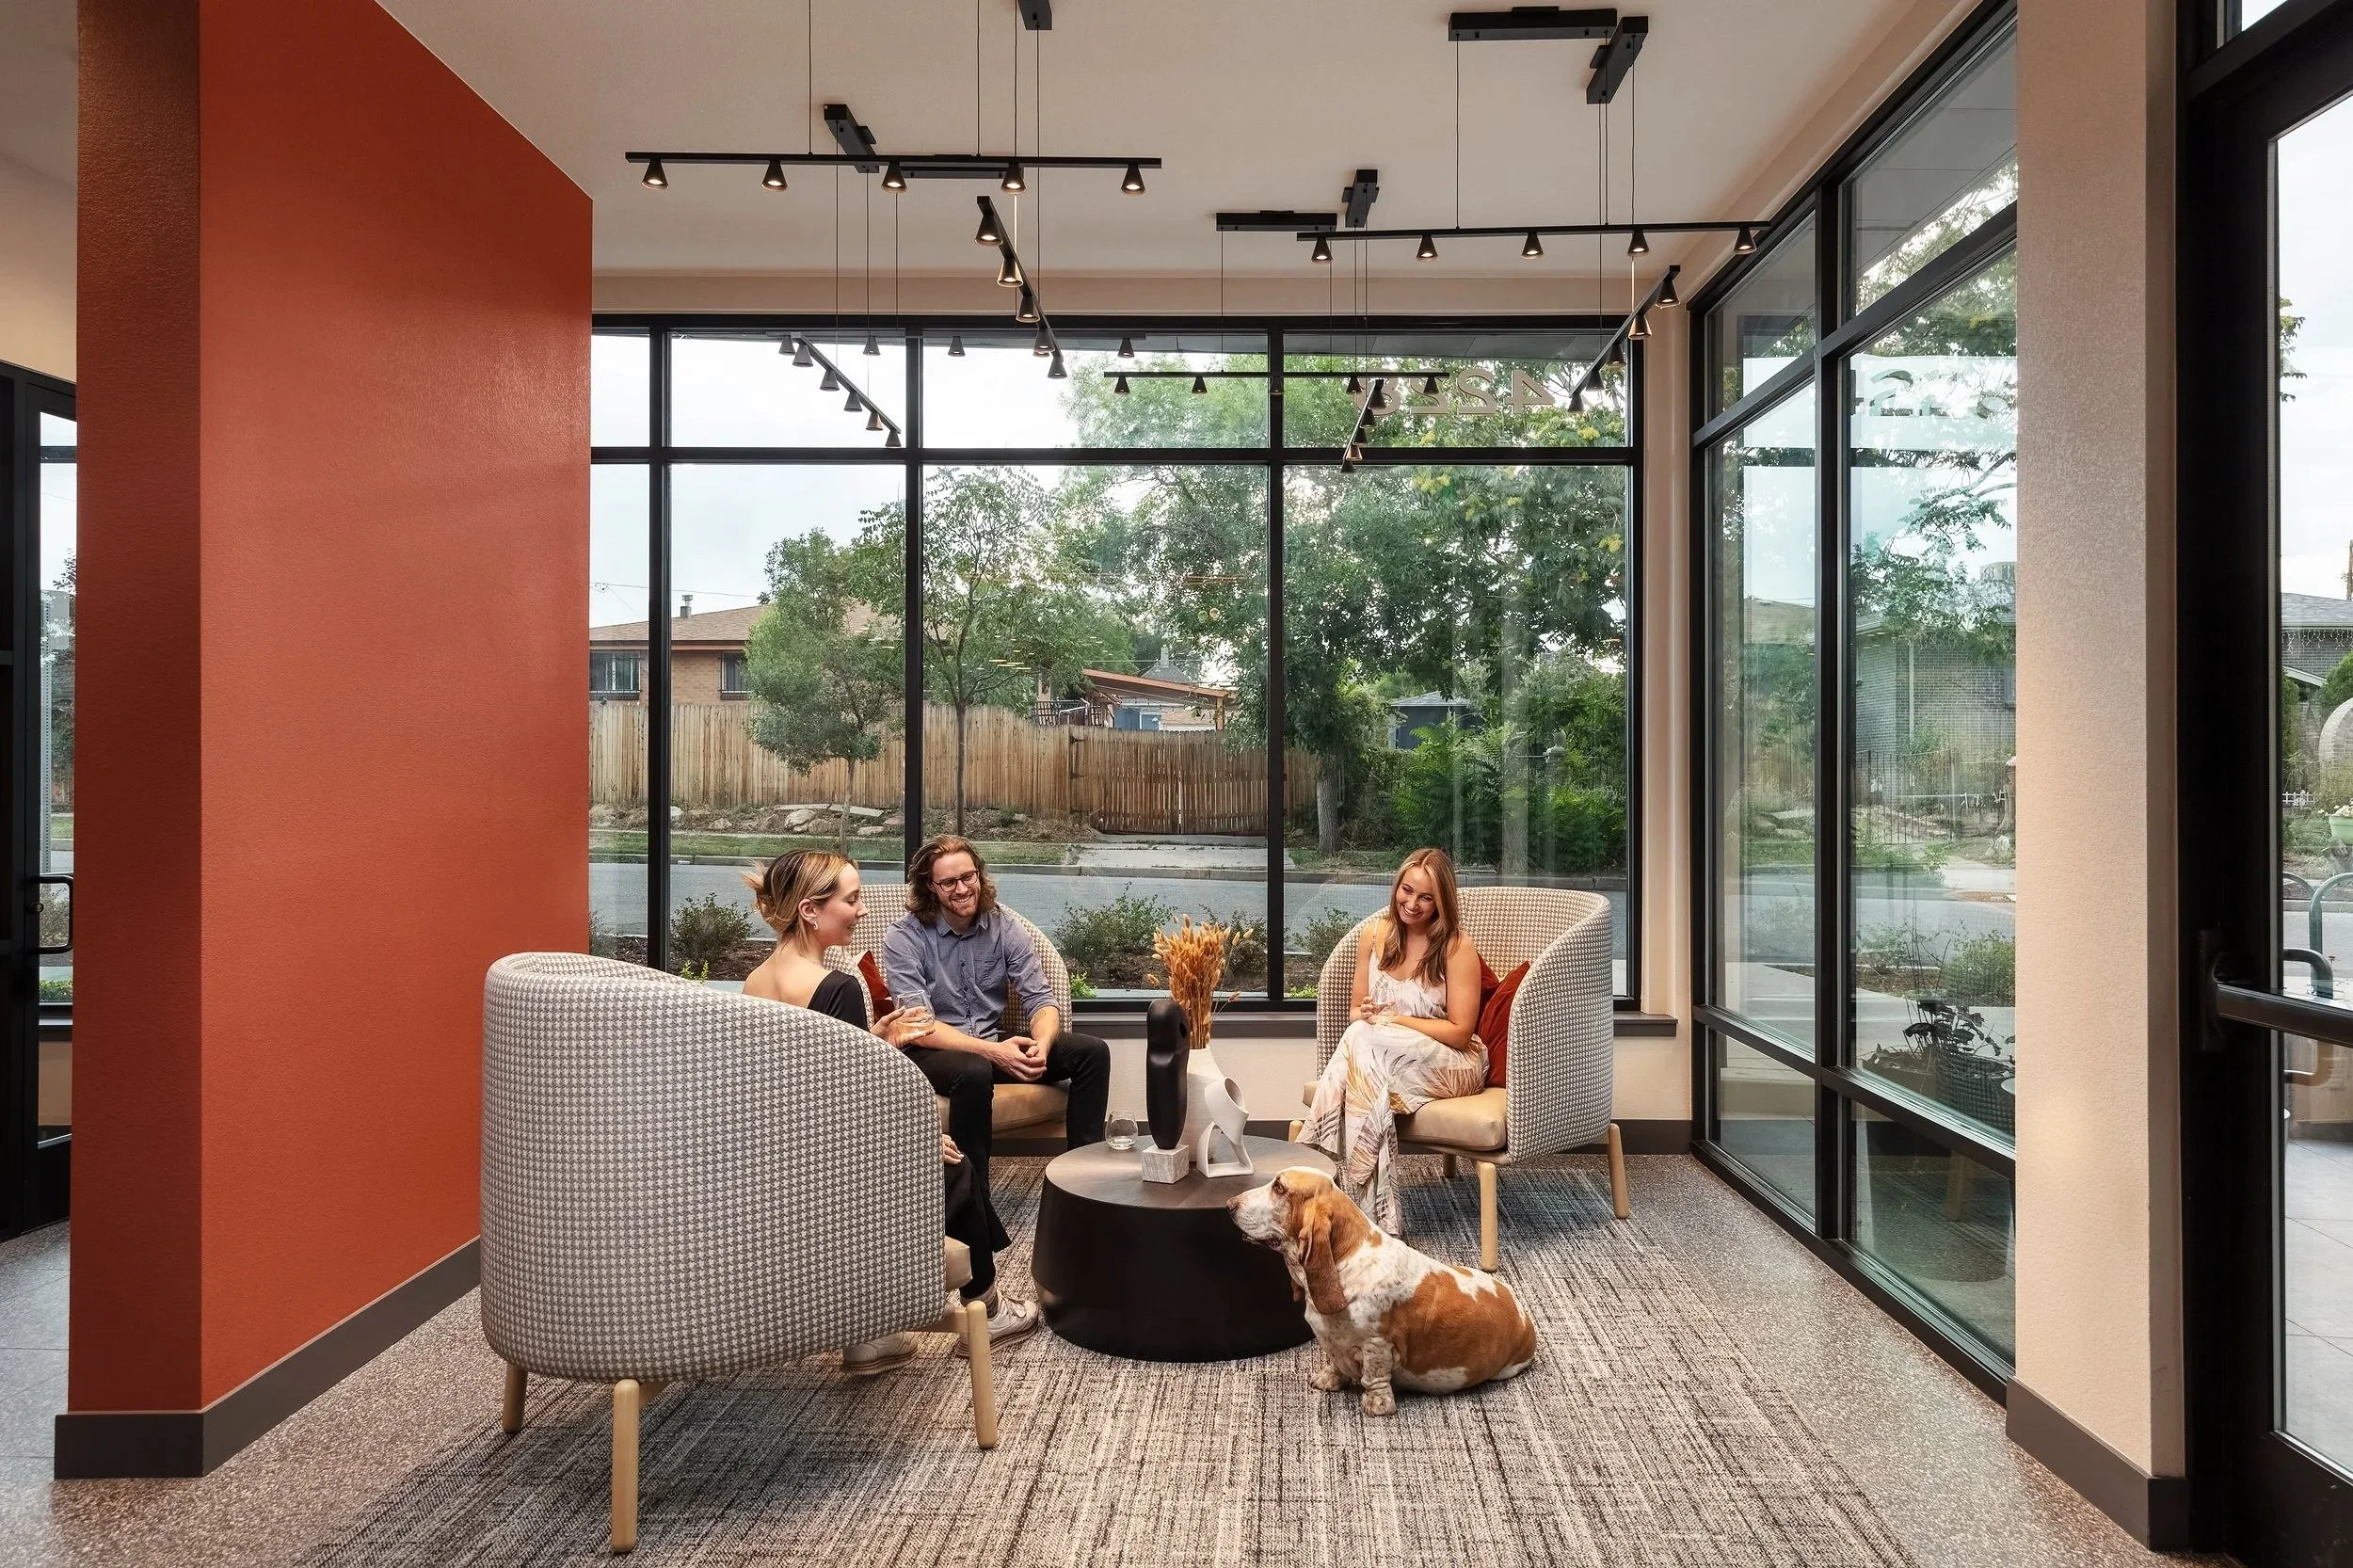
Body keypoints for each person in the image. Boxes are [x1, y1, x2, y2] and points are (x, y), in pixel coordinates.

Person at [741, 848, 1038, 1368]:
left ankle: (870, 1337)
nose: (860, 911)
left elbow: (807, 1081)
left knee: (948, 1159)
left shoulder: (756, 982)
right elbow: (854, 1102)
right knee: (956, 1167)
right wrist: (918, 1136)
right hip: (836, 1172)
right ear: (811, 910)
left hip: (784, 1160)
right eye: (851, 900)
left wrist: (876, 1038)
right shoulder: (835, 988)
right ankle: (985, 1310)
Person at [882, 835, 1112, 1321]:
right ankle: (976, 1207)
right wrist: (994, 1053)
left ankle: (1080, 1186)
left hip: (993, 1044)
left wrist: (1041, 1046)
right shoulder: (905, 937)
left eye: (969, 877)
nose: (962, 888)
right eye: (949, 882)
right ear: (929, 887)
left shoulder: (1003, 924)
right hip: (938, 1051)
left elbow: (1041, 999)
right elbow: (919, 1025)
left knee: (1091, 1052)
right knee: (970, 1071)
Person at [1300, 847, 1490, 1235]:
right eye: (1407, 890)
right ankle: (1379, 1214)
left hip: (1454, 1062)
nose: (1412, 904)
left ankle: (1316, 1164)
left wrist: (1395, 1021)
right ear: (1396, 886)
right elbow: (1355, 1012)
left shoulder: (1456, 947)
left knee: (1362, 1044)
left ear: (1441, 902)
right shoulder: (1374, 935)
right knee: (1360, 1036)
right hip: (1385, 1055)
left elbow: (1460, 1031)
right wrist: (1369, 1014)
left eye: (1426, 897)